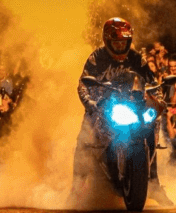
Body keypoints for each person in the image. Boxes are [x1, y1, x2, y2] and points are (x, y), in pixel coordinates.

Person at [70, 18, 170, 206]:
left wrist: (160, 99)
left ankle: (154, 184)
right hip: (102, 105)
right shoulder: (96, 57)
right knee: (84, 141)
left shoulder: (136, 58)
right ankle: (75, 189)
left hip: (132, 104)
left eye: (123, 42)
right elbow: (83, 83)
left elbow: (153, 82)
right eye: (116, 42)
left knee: (151, 129)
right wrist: (90, 103)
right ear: (107, 41)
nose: (120, 45)